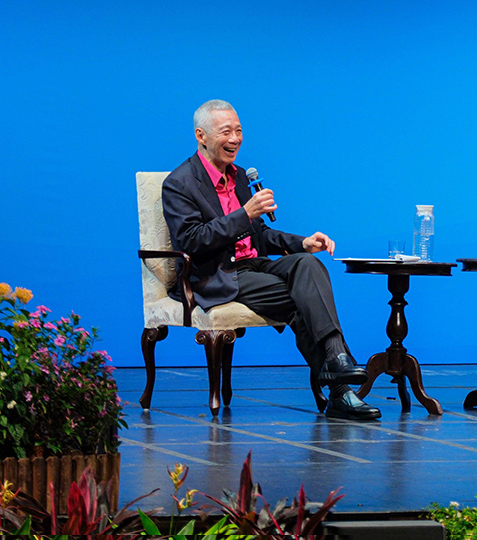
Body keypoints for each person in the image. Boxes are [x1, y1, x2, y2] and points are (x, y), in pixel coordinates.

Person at [162, 99, 380, 421]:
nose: (235, 139)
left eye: (239, 131)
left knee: (307, 264)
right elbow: (192, 241)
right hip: (217, 273)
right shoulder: (179, 183)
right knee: (301, 300)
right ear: (201, 136)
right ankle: (340, 389)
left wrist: (302, 242)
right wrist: (244, 213)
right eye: (226, 132)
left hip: (253, 264)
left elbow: (260, 234)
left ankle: (336, 363)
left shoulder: (238, 176)